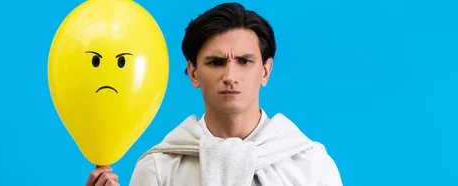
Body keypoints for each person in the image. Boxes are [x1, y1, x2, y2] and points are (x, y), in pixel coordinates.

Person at [86, 2, 343, 186]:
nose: (230, 76)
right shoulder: (158, 167)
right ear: (194, 73)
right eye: (216, 62)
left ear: (265, 71)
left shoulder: (310, 164)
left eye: (244, 61)